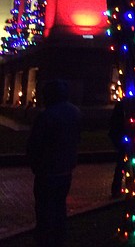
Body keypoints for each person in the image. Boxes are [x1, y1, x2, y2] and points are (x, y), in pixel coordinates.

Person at [26, 79, 81, 247]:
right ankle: (59, 237)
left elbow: (35, 144)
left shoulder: (47, 116)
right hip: (65, 170)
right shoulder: (75, 112)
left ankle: (45, 239)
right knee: (59, 206)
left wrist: (35, 164)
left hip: (47, 171)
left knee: (44, 209)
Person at [107, 99, 125, 198]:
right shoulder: (124, 105)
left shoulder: (121, 104)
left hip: (120, 137)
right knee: (121, 163)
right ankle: (116, 189)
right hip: (122, 136)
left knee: (121, 163)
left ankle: (116, 189)